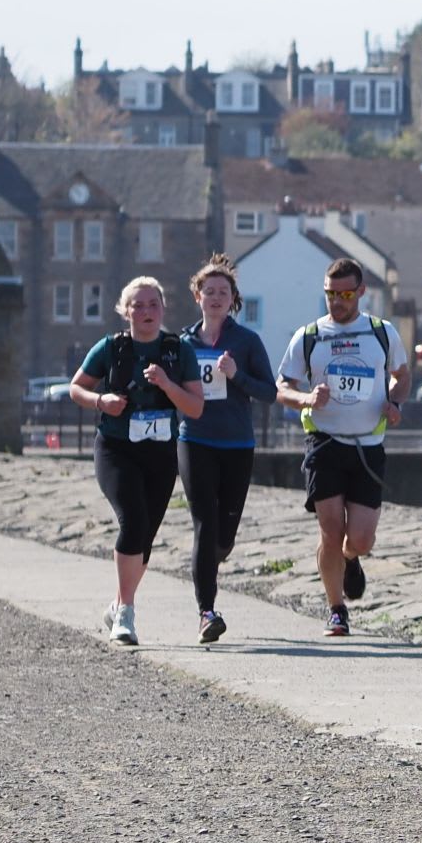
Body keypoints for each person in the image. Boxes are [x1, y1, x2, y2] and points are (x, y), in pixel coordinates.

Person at [274, 256, 411, 636]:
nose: (337, 301)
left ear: (361, 292)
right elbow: (281, 386)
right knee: (330, 532)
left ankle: (351, 559)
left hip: (368, 445)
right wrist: (305, 399)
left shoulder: (382, 333)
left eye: (346, 294)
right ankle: (336, 609)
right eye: (331, 294)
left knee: (361, 539)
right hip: (325, 443)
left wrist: (395, 402)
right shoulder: (310, 335)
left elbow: (402, 375)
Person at [68, 276, 207, 645]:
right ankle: (126, 613)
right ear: (125, 311)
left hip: (161, 452)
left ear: (163, 308)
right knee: (133, 521)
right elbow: (75, 387)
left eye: (152, 305)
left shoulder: (179, 350)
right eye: (138, 305)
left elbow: (195, 406)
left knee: (144, 535)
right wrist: (102, 401)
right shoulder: (111, 348)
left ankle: (117, 605)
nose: (145, 312)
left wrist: (165, 383)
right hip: (116, 448)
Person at [176, 253, 279, 643]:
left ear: (233, 298)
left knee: (224, 535)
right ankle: (207, 612)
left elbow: (269, 392)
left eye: (223, 291)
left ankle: (211, 561)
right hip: (194, 440)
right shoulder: (183, 343)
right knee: (204, 523)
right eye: (209, 291)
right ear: (197, 296)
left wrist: (237, 376)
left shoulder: (246, 341)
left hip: (237, 444)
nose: (216, 297)